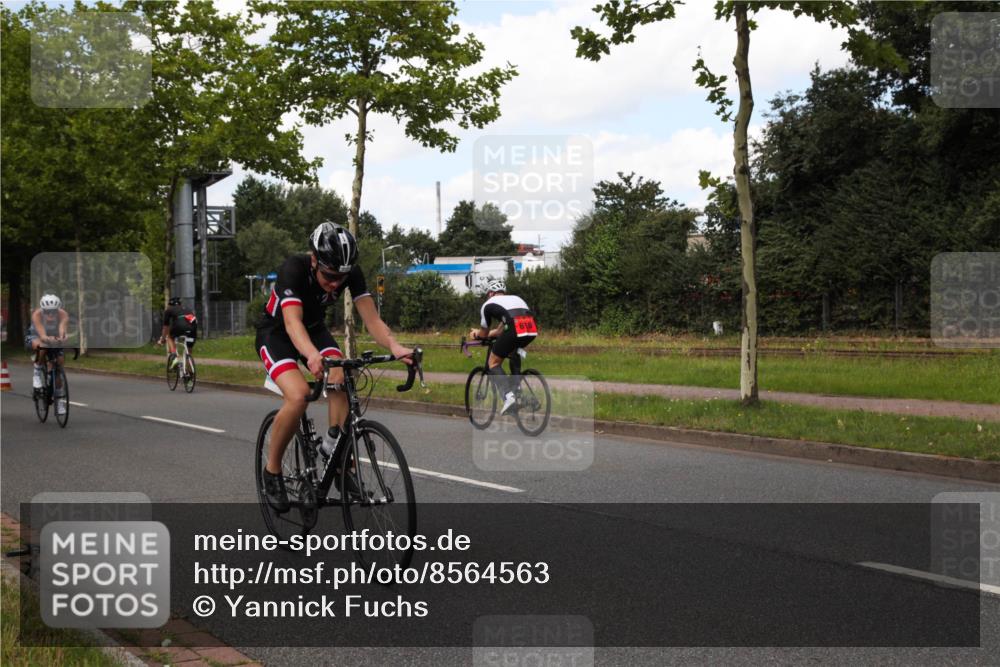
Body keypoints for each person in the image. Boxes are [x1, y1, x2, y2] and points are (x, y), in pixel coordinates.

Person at [256, 222, 412, 512]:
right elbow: (292, 323)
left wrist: (395, 346)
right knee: (299, 394)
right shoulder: (294, 268)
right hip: (277, 333)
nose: (336, 284)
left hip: (314, 330)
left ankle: (334, 452)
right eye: (329, 276)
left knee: (342, 374)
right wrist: (313, 356)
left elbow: (372, 320)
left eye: (341, 277)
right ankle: (272, 471)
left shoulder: (349, 271)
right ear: (314, 260)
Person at [468, 277, 538, 415]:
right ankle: (518, 392)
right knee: (513, 352)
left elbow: (484, 333)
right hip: (531, 329)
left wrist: (476, 334)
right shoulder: (514, 299)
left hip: (514, 329)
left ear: (490, 293)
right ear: (503, 292)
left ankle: (508, 396)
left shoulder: (488, 304)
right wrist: (489, 334)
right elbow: (499, 331)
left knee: (493, 362)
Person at [25, 294, 70, 414]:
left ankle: (60, 402)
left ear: (58, 310)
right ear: (42, 310)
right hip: (36, 335)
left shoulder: (63, 314)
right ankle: (37, 371)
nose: (50, 314)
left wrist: (62, 337)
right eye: (47, 312)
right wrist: (49, 339)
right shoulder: (37, 314)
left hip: (53, 335)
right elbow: (42, 334)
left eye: (53, 312)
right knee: (43, 346)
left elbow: (62, 329)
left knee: (59, 364)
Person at [158, 297, 198, 367]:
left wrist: (163, 339)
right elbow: (195, 320)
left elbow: (165, 327)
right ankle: (188, 372)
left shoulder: (169, 310)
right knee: (188, 351)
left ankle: (174, 356)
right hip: (192, 328)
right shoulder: (188, 309)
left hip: (179, 326)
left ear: (170, 304)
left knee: (170, 337)